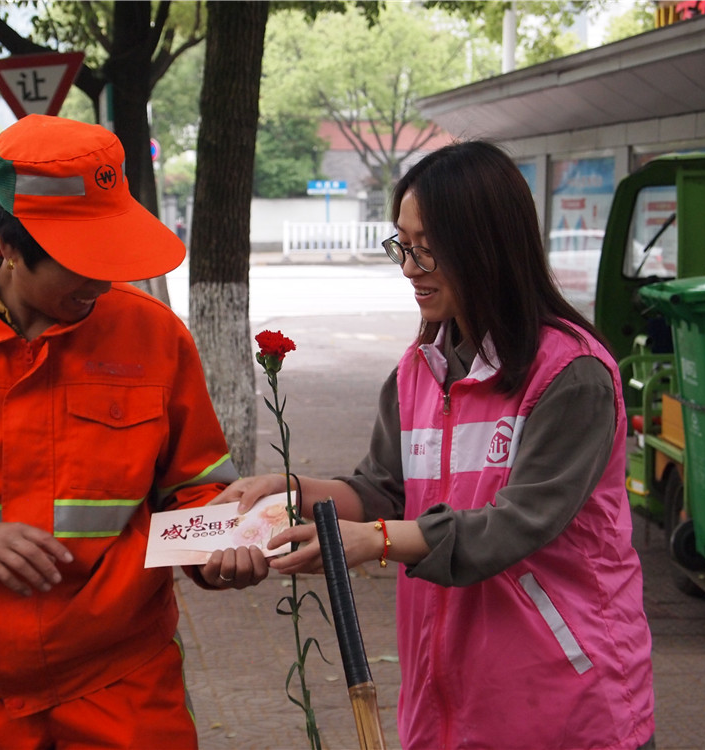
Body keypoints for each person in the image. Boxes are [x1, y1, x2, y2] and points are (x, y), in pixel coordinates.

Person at [0, 115, 268, 750]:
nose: (99, 283)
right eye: (80, 263)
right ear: (10, 246)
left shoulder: (154, 337)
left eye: (109, 259)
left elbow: (196, 490)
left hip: (122, 681)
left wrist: (223, 549)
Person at [216, 141, 655, 750]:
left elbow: (515, 524)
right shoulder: (417, 372)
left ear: (489, 244)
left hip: (566, 707)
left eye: (429, 247)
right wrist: (292, 490)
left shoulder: (570, 376)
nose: (409, 267)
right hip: (447, 705)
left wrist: (377, 542)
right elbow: (382, 489)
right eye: (403, 243)